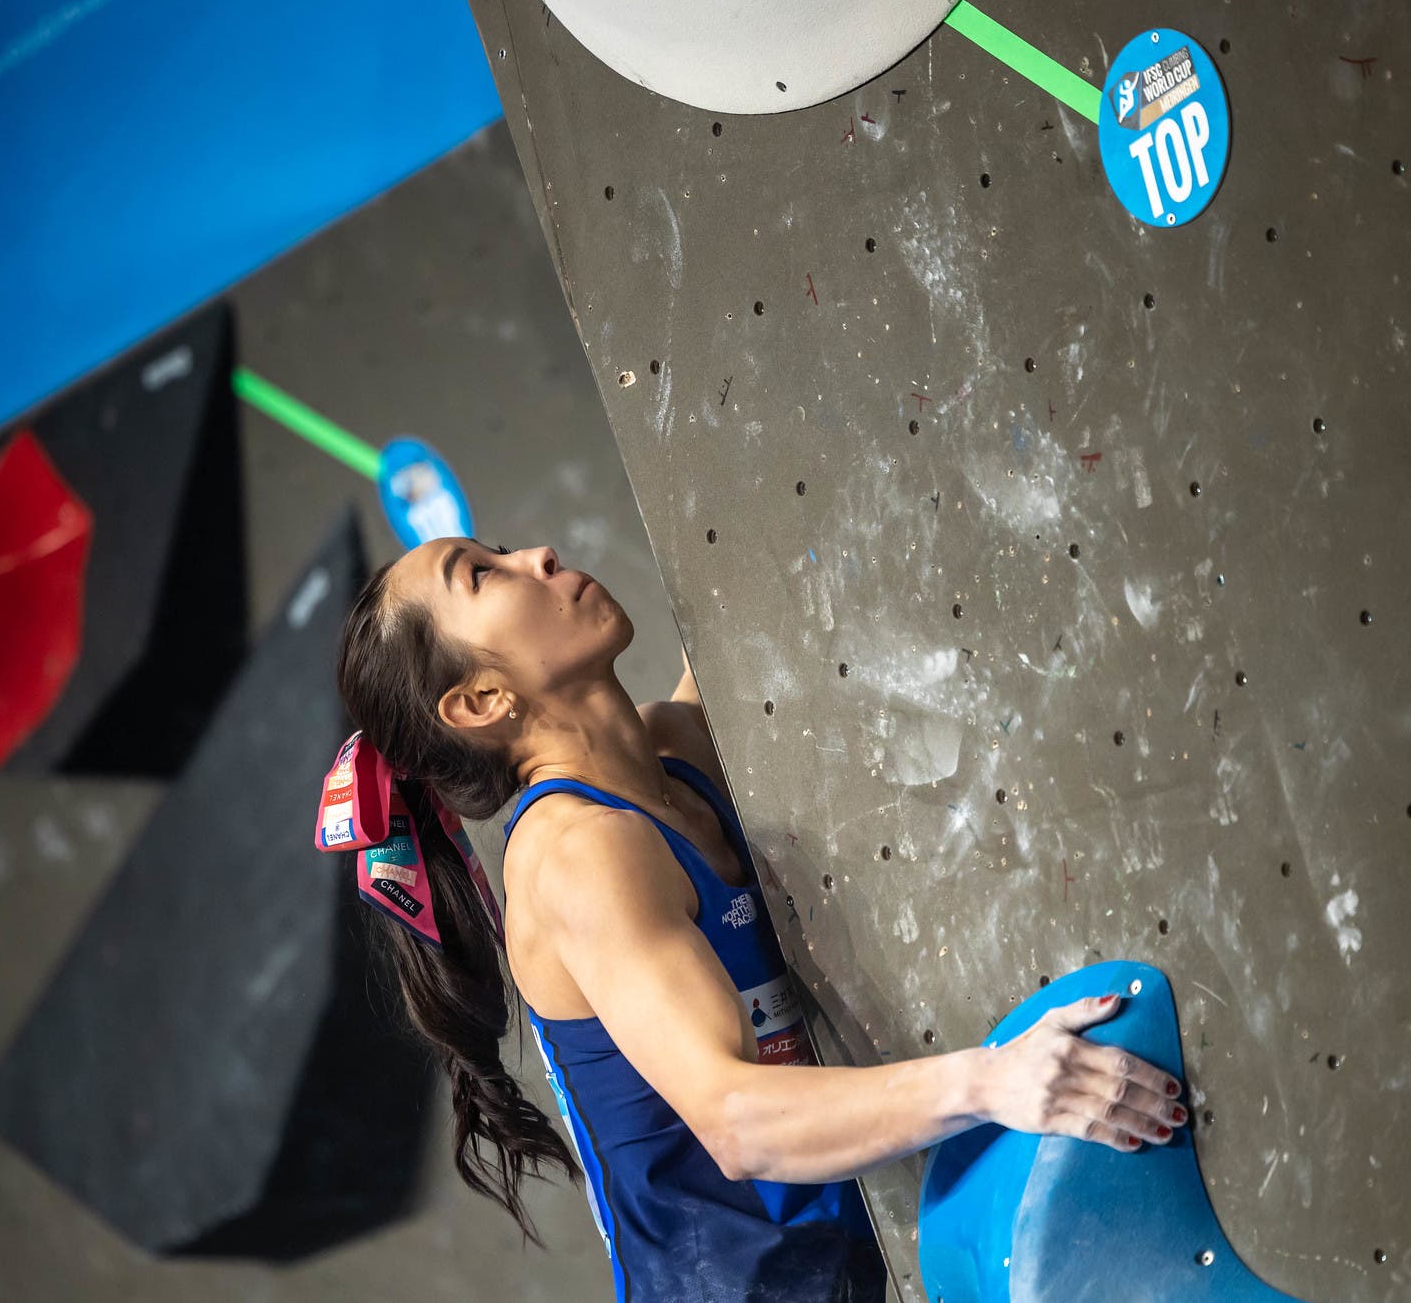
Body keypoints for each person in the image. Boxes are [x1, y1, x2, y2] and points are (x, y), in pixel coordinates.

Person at [325, 537, 1190, 1302]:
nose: (538, 555)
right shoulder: (575, 855)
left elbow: (759, 572)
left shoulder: (672, 752)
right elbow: (737, 1121)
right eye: (483, 573)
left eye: (505, 547)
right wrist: (993, 1082)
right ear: (478, 702)